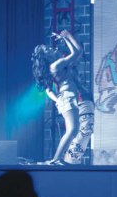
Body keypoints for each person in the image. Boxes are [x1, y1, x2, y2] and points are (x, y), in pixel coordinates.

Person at [31, 30, 95, 165]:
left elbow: (77, 52)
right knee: (73, 129)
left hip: (68, 98)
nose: (51, 48)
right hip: (67, 98)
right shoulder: (55, 65)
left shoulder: (58, 66)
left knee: (74, 129)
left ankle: (57, 159)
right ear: (46, 57)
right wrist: (67, 36)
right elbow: (76, 52)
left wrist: (57, 100)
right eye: (47, 50)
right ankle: (56, 159)